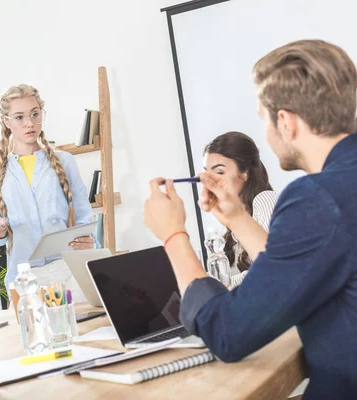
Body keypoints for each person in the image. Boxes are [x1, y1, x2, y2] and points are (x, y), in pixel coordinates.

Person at [143, 39, 357, 398]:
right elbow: (299, 270)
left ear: (286, 122)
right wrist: (239, 219)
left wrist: (173, 234)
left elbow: (228, 333)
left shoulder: (318, 198)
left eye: (264, 119)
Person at [0, 84, 97, 295]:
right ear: (6, 121)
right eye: (19, 117)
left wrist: (87, 239)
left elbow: (83, 214)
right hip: (24, 278)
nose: (29, 123)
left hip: (69, 271)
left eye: (35, 114)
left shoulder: (65, 161)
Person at [203, 131, 277, 287]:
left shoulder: (264, 200)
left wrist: (225, 284)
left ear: (245, 173)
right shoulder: (233, 217)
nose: (211, 181)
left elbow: (273, 267)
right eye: (207, 173)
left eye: (219, 172)